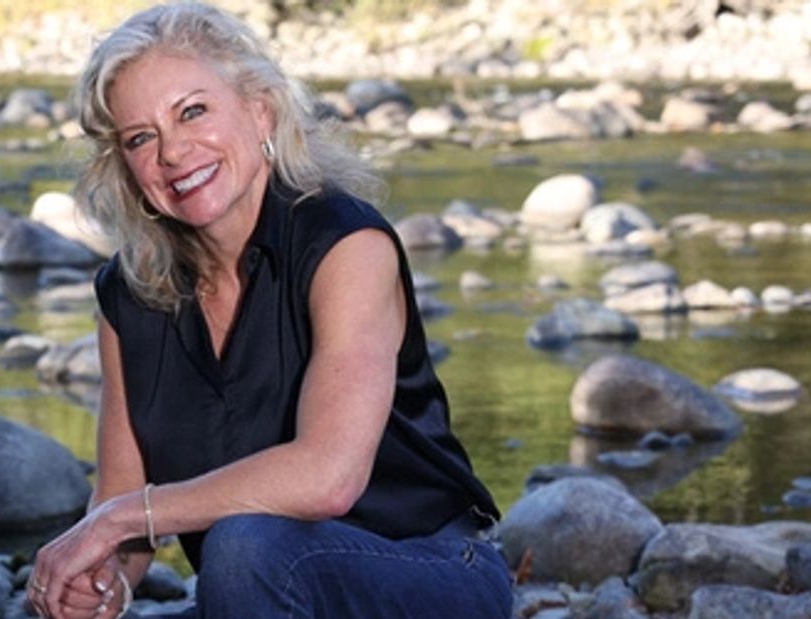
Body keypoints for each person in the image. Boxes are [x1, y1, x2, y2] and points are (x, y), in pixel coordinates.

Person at [27, 3, 512, 618]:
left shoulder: (345, 244)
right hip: (261, 594)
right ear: (124, 166)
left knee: (245, 545)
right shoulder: (129, 297)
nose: (173, 152)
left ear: (260, 108)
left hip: (430, 574)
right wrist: (102, 584)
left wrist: (122, 517)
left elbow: (328, 478)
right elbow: (122, 522)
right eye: (141, 138)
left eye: (193, 111)